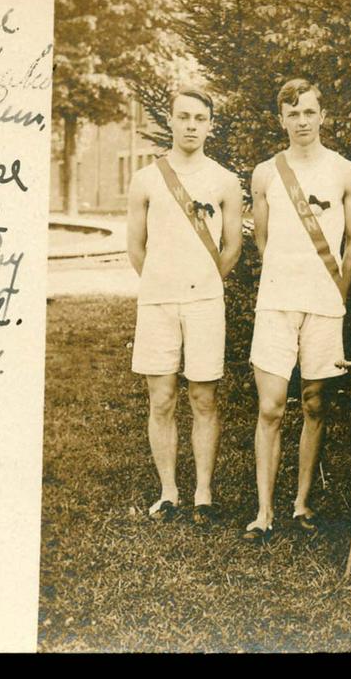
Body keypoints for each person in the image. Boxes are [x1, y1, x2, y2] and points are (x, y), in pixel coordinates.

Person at [243, 78, 351, 541]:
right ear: (281, 120)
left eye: (309, 112)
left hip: (324, 301)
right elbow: (263, 240)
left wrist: (337, 292)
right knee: (271, 407)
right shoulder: (265, 173)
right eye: (292, 114)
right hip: (277, 302)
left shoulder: (345, 171)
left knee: (316, 404)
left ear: (322, 115)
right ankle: (263, 511)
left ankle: (301, 504)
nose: (302, 122)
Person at [126, 86, 243, 527]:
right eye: (184, 117)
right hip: (157, 300)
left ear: (210, 125)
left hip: (205, 300)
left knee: (203, 396)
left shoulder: (224, 179)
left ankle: (203, 493)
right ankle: (169, 491)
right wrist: (162, 281)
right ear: (171, 122)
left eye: (200, 118)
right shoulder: (146, 178)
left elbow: (232, 247)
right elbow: (136, 247)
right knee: (161, 398)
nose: (191, 125)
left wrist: (202, 282)